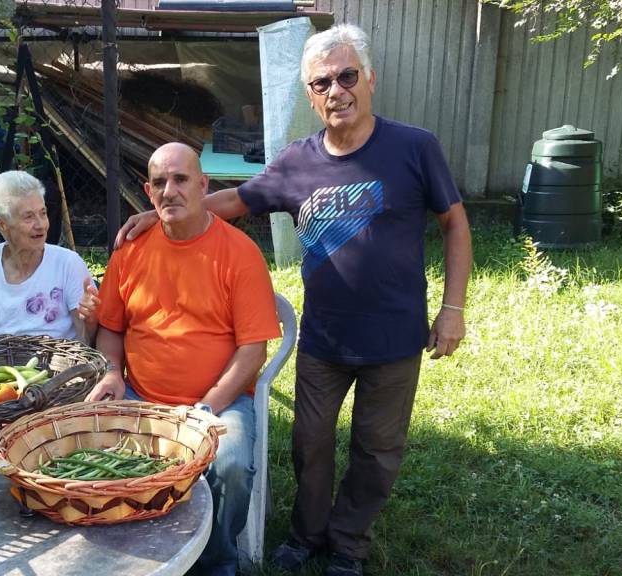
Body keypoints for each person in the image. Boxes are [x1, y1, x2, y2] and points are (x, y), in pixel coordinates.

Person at [115, 24, 473, 576]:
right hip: (324, 337)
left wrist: (453, 309)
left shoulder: (414, 147)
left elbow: (455, 224)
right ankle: (307, 534)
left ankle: (348, 544)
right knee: (310, 442)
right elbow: (237, 199)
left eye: (347, 76)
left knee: (377, 449)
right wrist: (166, 210)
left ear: (370, 79)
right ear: (310, 95)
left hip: (395, 335)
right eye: (322, 83)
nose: (337, 91)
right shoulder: (297, 161)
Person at [81, 142, 281, 576]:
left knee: (230, 466)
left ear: (203, 185)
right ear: (148, 192)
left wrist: (206, 408)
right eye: (159, 183)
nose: (169, 191)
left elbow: (253, 350)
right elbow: (111, 327)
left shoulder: (239, 252)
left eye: (180, 179)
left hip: (220, 402)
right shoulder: (130, 250)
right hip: (140, 395)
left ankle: (214, 562)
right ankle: (135, 559)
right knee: (89, 452)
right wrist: (113, 373)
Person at [0, 170, 97, 343]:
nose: (41, 225)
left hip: (58, 357)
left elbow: (85, 341)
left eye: (43, 213)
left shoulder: (68, 263)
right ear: (2, 224)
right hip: (0, 357)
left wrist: (90, 319)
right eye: (29, 217)